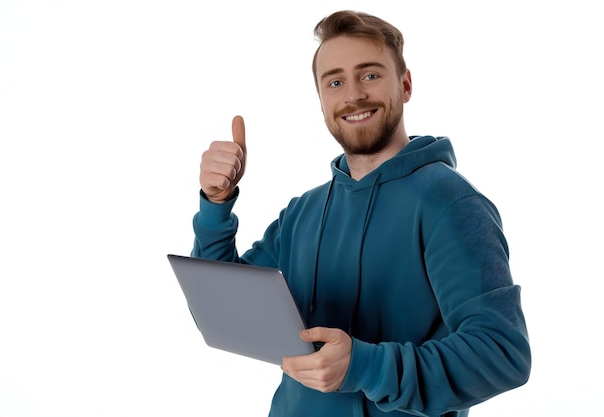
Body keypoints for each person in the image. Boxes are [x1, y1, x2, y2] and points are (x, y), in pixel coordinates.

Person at [191, 9, 531, 417]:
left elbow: (501, 353)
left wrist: (363, 366)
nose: (352, 95)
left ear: (405, 85)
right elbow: (226, 311)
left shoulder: (450, 203)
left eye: (370, 75)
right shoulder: (303, 212)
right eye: (335, 82)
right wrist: (215, 203)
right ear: (321, 101)